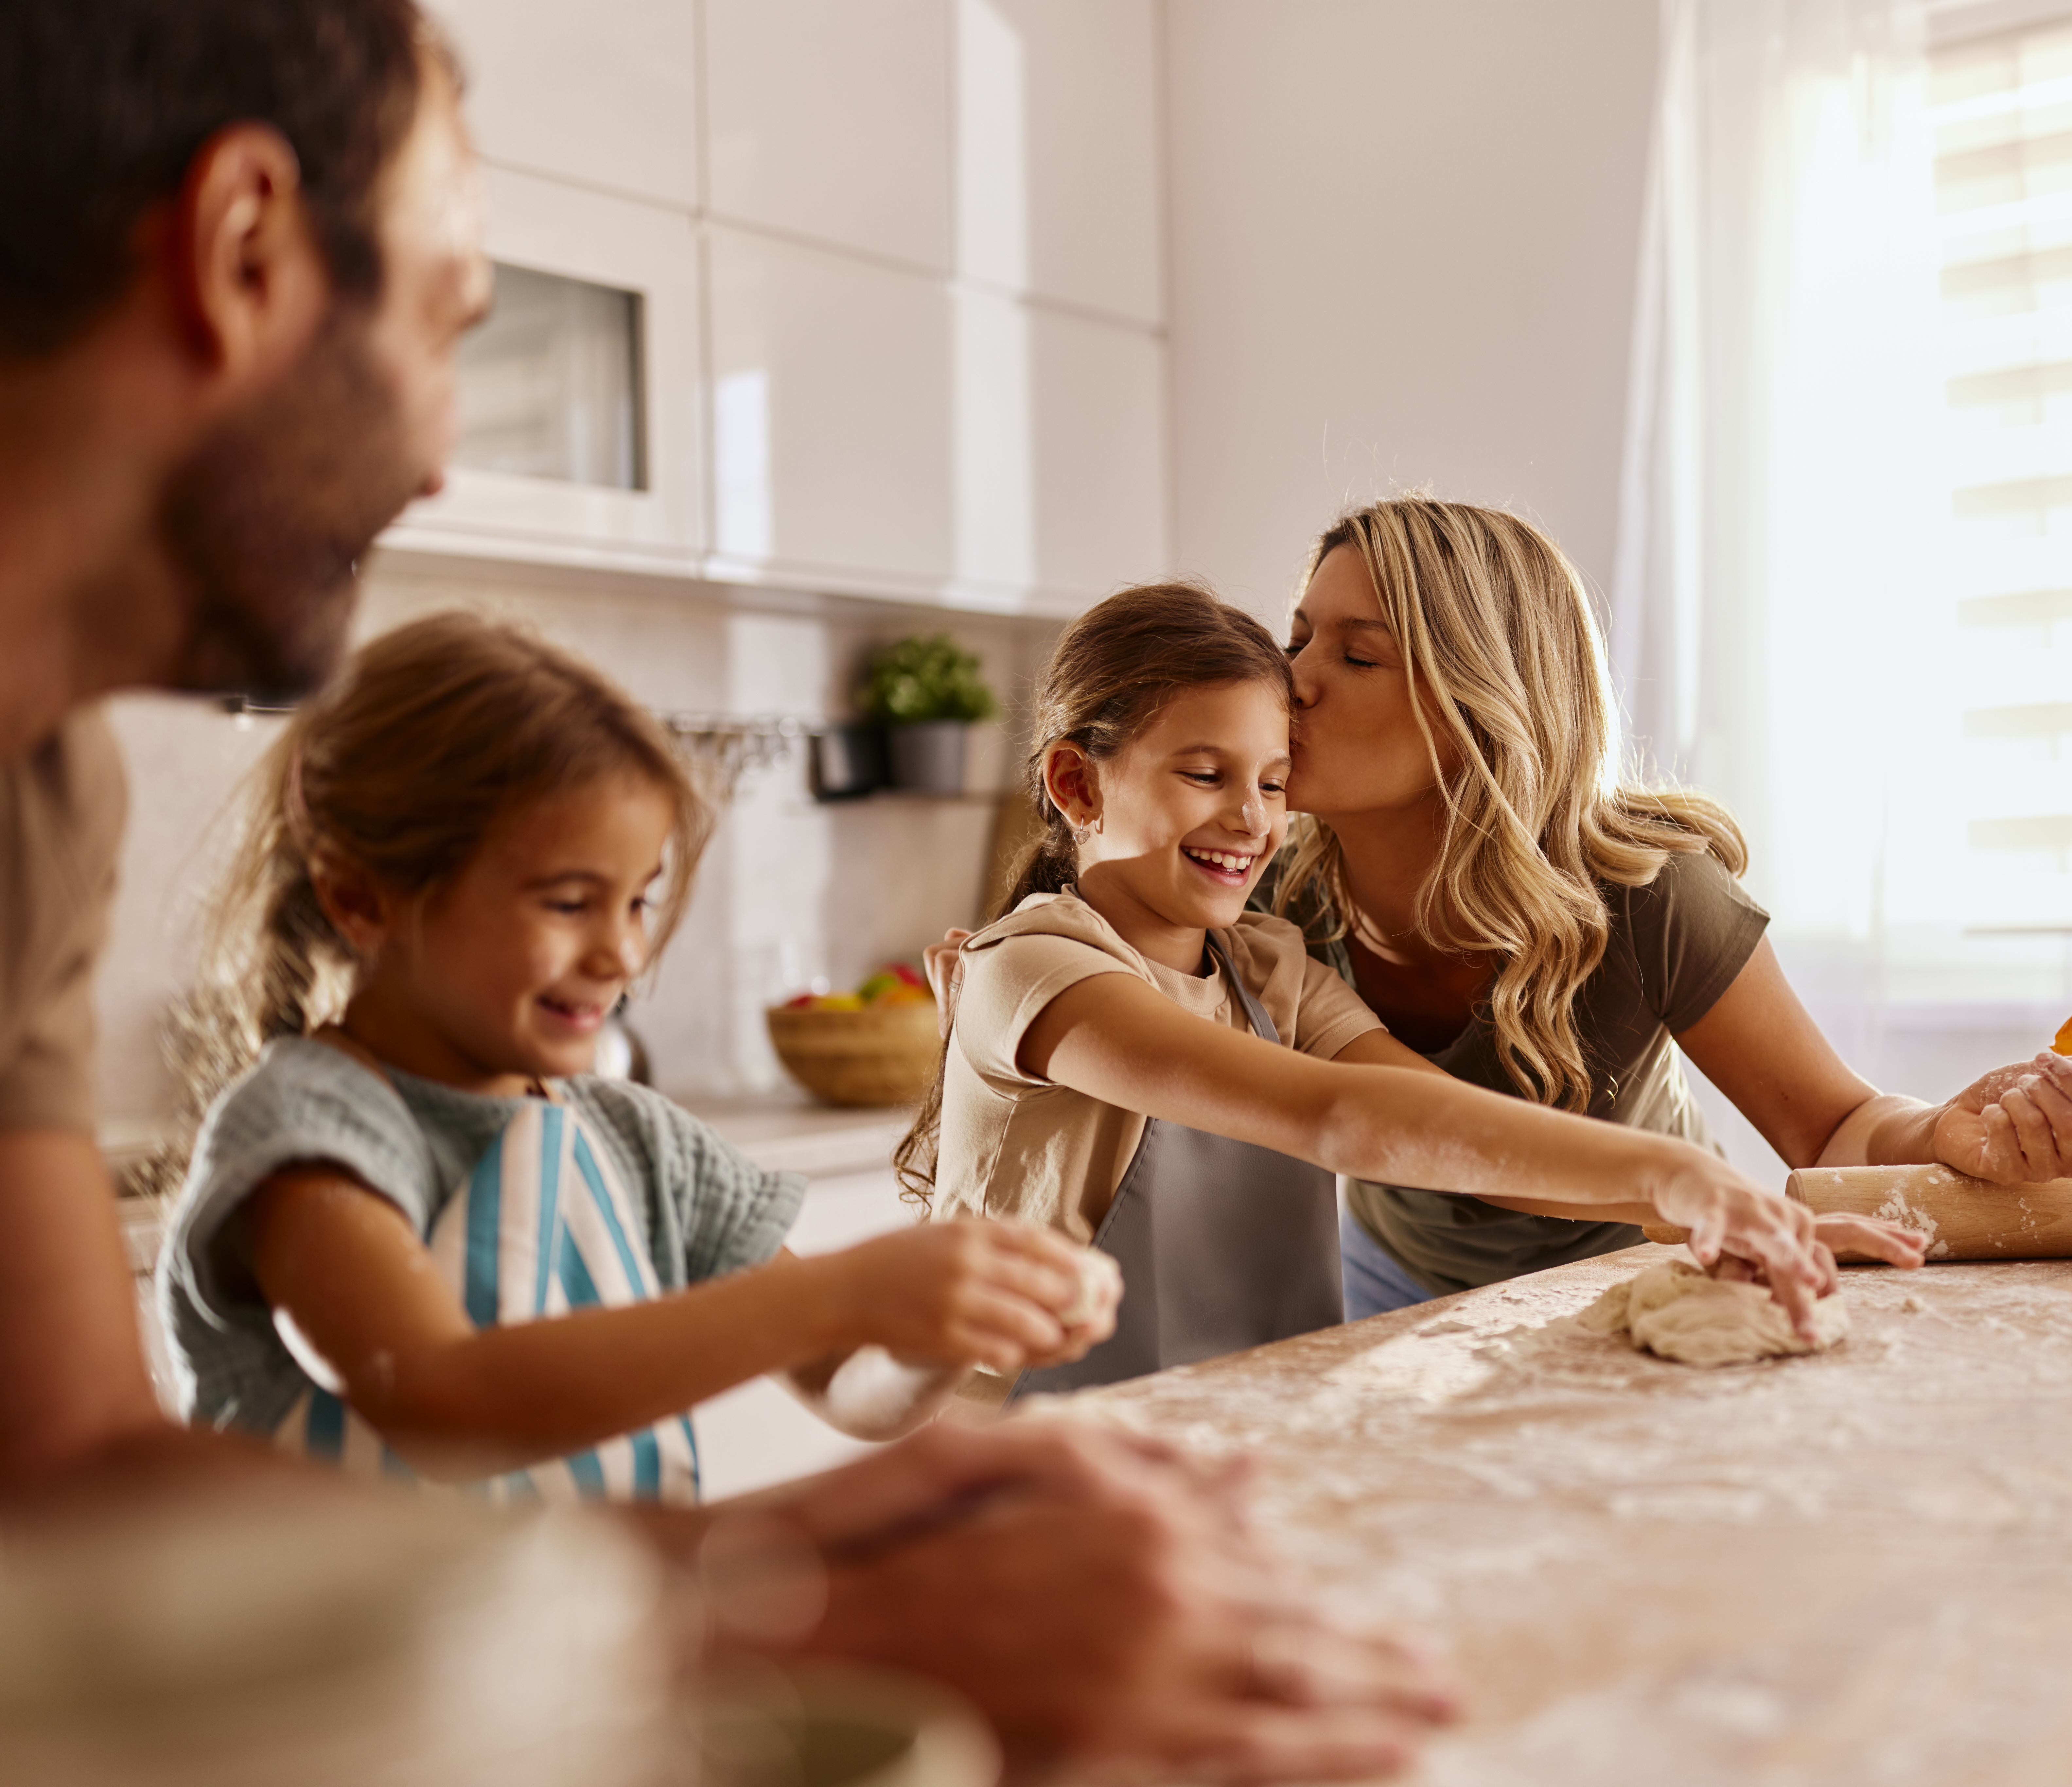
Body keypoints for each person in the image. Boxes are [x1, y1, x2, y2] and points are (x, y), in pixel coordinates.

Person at [0, 2, 1451, 1777]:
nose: (443, 459)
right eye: (454, 328)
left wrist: (823, 1544)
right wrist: (776, 1577)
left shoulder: (38, 783)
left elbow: (64, 1476)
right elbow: (408, 1404)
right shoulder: (317, 1123)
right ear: (241, 252)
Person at [157, 613, 1110, 1494]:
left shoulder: (637, 1143)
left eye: (638, 902)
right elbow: (442, 1399)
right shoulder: (308, 1133)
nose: (623, 953)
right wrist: (841, 1291)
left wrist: (942, 1330)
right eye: (569, 903)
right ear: (364, 900)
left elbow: (849, 1392)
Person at [902, 583, 1925, 1390]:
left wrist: (1735, 1205)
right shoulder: (1040, 966)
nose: (1256, 820)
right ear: (1078, 785)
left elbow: (1447, 1129)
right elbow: (1344, 1117)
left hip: (1246, 1412)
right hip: (1055, 1444)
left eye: (1270, 781)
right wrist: (1676, 1177)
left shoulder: (1270, 964)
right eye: (1208, 777)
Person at [1270, 495, 2072, 1318]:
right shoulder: (1270, 898)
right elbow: (1385, 1121)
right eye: (1298, 638)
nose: (1287, 680)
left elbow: (1833, 1128)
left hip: (1642, 1263)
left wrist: (1940, 1132)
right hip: (1383, 1271)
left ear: (1483, 703)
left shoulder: (1649, 893)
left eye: (1358, 656)